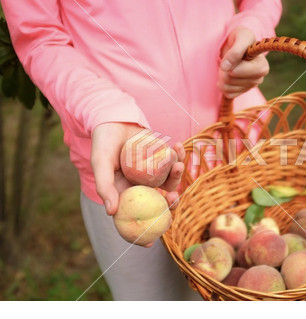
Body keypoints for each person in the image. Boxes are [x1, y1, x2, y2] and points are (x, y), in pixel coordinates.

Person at [1, 0, 282, 300]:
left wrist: (252, 29)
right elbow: (40, 38)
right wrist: (104, 109)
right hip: (128, 177)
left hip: (235, 148)